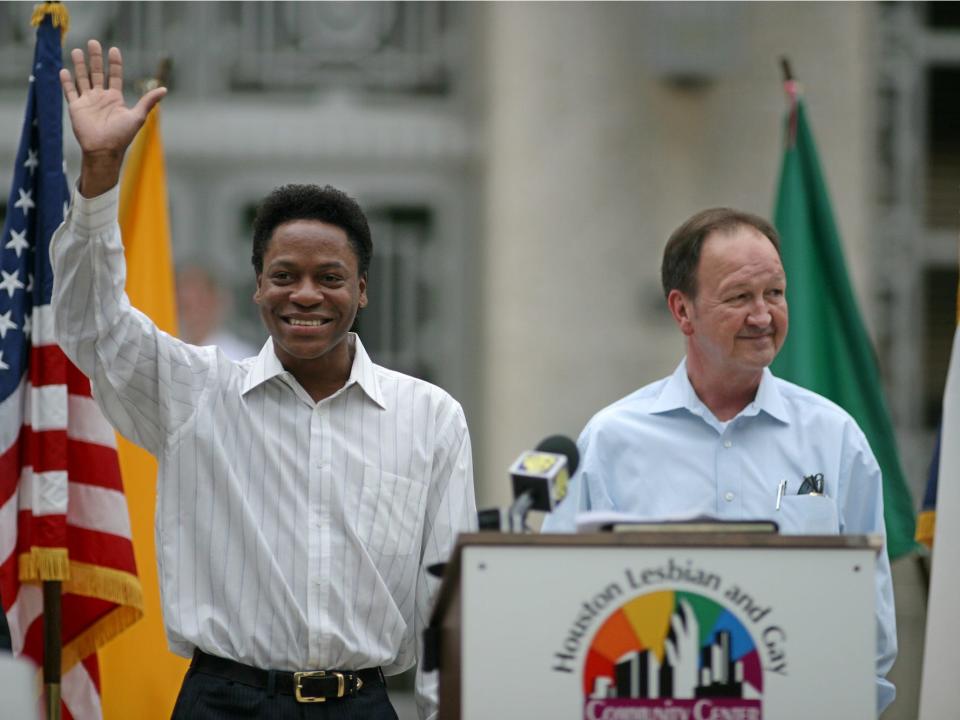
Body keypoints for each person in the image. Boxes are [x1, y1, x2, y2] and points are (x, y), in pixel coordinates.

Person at [53, 40, 476, 720]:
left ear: (362, 290)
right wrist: (100, 177)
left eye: (328, 277)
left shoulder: (430, 417)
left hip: (361, 705)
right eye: (284, 276)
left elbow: (447, 602)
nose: (304, 294)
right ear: (257, 289)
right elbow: (89, 326)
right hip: (225, 703)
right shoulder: (192, 392)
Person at [542, 207, 897, 714]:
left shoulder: (834, 436)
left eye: (774, 293)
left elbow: (873, 624)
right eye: (739, 297)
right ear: (682, 311)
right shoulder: (613, 439)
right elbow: (564, 606)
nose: (763, 316)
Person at [176, 262, 259, 360]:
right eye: (186, 305)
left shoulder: (241, 358)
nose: (194, 314)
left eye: (200, 302)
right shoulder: (171, 353)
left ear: (217, 301)